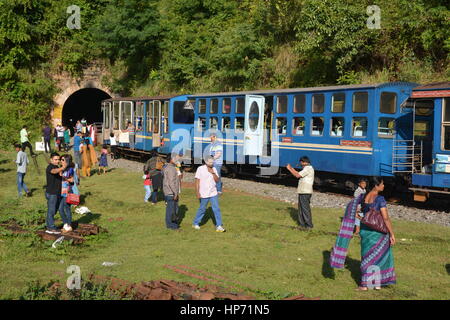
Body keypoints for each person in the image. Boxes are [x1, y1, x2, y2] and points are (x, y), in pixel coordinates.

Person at [356, 177, 396, 291]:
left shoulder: (364, 196)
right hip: (378, 232)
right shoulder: (380, 199)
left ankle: (367, 284)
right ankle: (375, 284)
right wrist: (392, 233)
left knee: (367, 256)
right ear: (376, 185)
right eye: (382, 184)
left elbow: (356, 210)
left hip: (365, 230)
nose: (383, 186)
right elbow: (386, 218)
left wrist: (358, 217)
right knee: (379, 256)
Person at [192, 156, 225, 232]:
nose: (211, 163)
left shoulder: (214, 169)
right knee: (202, 208)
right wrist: (197, 192)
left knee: (216, 209)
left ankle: (219, 225)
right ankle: (196, 223)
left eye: (212, 162)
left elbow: (217, 180)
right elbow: (197, 181)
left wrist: (213, 173)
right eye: (210, 162)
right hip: (203, 193)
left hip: (213, 192)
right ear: (206, 162)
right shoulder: (200, 169)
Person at [286, 156, 315, 229]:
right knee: (301, 208)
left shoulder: (308, 169)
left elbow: (297, 175)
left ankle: (309, 225)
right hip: (303, 191)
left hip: (305, 191)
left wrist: (289, 169)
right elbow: (298, 173)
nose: (300, 164)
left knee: (305, 209)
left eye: (301, 162)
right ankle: (302, 224)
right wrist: (292, 168)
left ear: (304, 162)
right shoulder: (306, 169)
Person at [45, 152, 66, 234]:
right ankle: (51, 228)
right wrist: (62, 168)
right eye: (55, 159)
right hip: (51, 192)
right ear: (51, 159)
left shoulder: (57, 166)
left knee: (54, 209)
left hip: (57, 192)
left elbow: (60, 174)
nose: (57, 161)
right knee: (51, 210)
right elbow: (53, 171)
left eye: (58, 159)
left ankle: (49, 225)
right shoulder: (50, 167)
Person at [162, 154, 181, 230]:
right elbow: (171, 182)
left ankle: (172, 223)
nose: (176, 159)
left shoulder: (166, 166)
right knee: (171, 209)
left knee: (172, 208)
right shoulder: (171, 169)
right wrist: (175, 193)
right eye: (175, 158)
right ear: (171, 159)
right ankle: (171, 225)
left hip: (168, 191)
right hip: (171, 192)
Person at [59, 154, 75, 233]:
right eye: (61, 159)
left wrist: (63, 177)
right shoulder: (61, 169)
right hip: (61, 192)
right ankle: (66, 225)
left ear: (67, 161)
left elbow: (72, 181)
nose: (61, 161)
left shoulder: (70, 169)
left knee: (66, 209)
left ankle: (69, 226)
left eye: (63, 160)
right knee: (60, 209)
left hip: (67, 192)